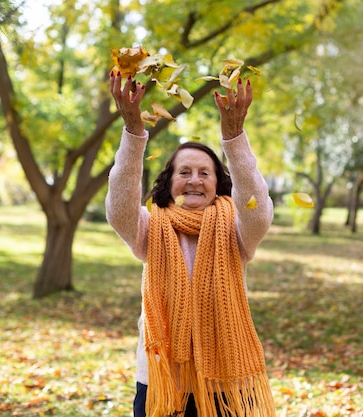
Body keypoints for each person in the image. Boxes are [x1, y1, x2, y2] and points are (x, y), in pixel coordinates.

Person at [106, 71, 276, 417]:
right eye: (184, 172)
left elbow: (257, 208)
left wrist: (235, 139)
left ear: (218, 182)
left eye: (204, 173)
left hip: (225, 380)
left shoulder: (236, 228)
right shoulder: (150, 227)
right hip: (163, 380)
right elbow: (119, 206)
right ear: (169, 182)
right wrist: (133, 133)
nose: (195, 180)